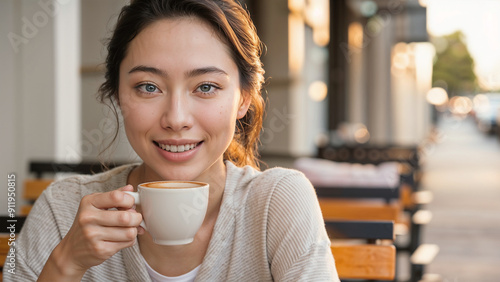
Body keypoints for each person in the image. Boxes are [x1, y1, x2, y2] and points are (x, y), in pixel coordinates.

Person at [4, 0, 339, 281]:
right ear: (118, 95)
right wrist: (66, 263)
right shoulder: (63, 210)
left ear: (244, 98)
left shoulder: (277, 203)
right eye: (149, 86)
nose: (176, 119)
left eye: (206, 87)